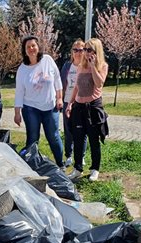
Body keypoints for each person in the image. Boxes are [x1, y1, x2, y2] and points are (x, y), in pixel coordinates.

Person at [14, 35, 64, 168]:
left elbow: (57, 79)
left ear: (38, 47)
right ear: (24, 51)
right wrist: (17, 112)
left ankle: (60, 164)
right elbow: (19, 92)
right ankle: (32, 165)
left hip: (50, 106)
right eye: (28, 47)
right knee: (32, 138)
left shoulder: (47, 60)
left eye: (33, 45)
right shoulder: (22, 69)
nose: (31, 49)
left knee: (53, 137)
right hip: (31, 108)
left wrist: (59, 98)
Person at [66, 38, 109, 182]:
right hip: (79, 107)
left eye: (89, 50)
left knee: (93, 140)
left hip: (93, 107)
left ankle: (95, 169)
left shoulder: (102, 66)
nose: (85, 52)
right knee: (78, 139)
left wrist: (92, 67)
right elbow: (76, 87)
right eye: (85, 49)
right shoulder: (80, 66)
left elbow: (99, 83)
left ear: (97, 52)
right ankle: (78, 168)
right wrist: (70, 103)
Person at [60, 39, 87, 167]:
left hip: (81, 102)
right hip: (67, 101)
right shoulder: (67, 66)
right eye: (75, 50)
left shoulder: (87, 66)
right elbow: (60, 83)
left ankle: (81, 156)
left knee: (82, 131)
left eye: (80, 50)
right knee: (68, 130)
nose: (77, 52)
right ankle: (69, 155)